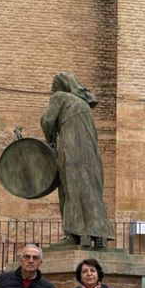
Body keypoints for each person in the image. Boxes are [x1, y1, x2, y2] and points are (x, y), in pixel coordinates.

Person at [40, 72, 114, 247]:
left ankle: (74, 234)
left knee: (70, 188)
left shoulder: (59, 97)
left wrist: (49, 139)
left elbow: (47, 121)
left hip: (72, 149)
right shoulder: (83, 103)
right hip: (90, 153)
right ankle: (99, 234)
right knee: (91, 190)